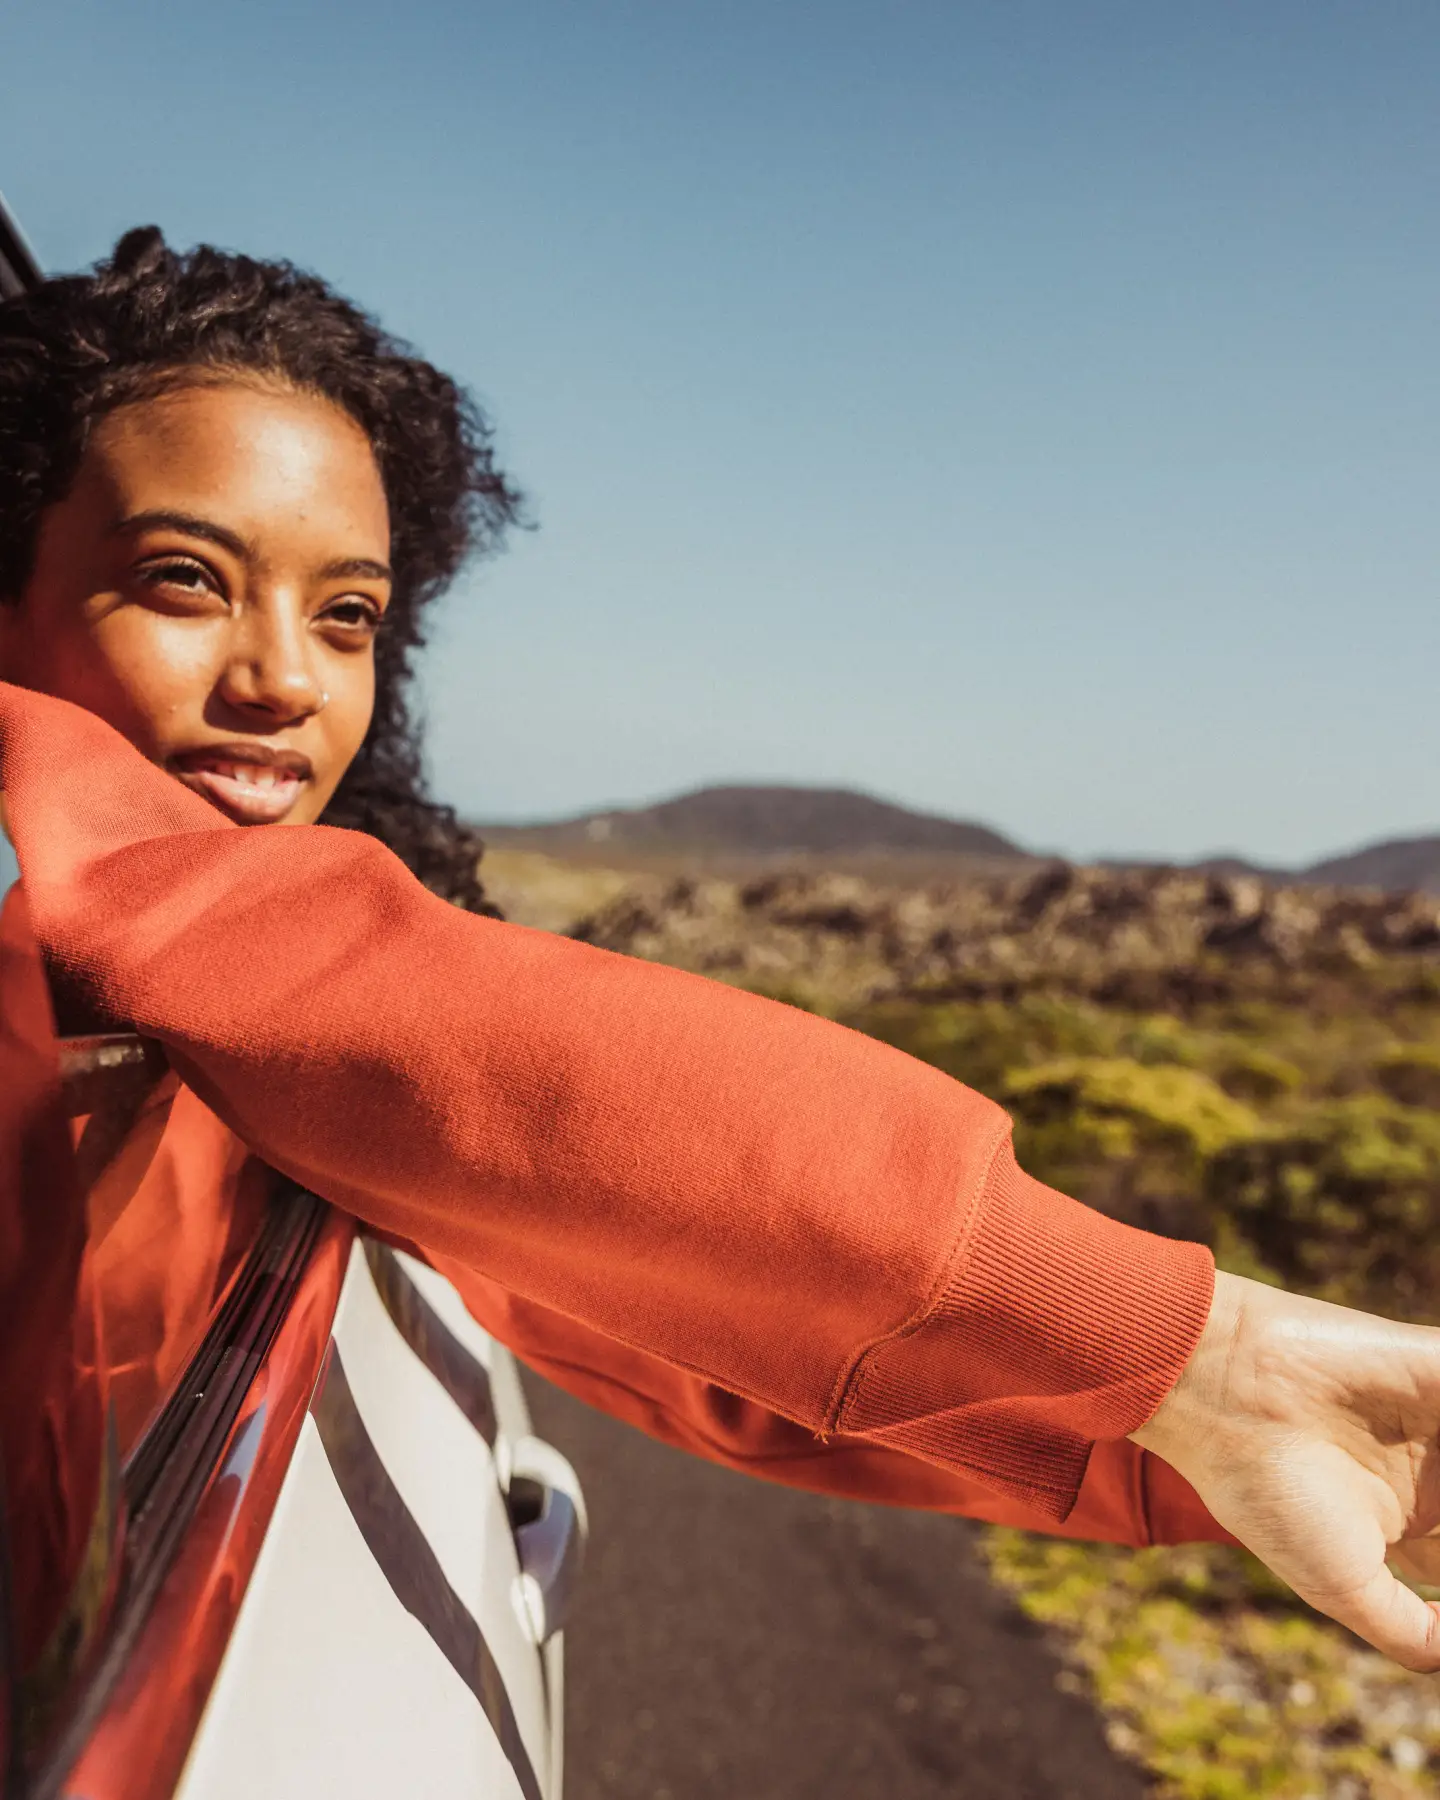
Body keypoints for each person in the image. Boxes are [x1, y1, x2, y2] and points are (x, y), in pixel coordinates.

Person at [3, 228, 1440, 1678]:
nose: (283, 682)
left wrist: (1175, 1443)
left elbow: (679, 1326)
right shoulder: (56, 834)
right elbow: (407, 1014)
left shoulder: (226, 1015)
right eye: (184, 580)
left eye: (349, 615)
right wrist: (1180, 1352)